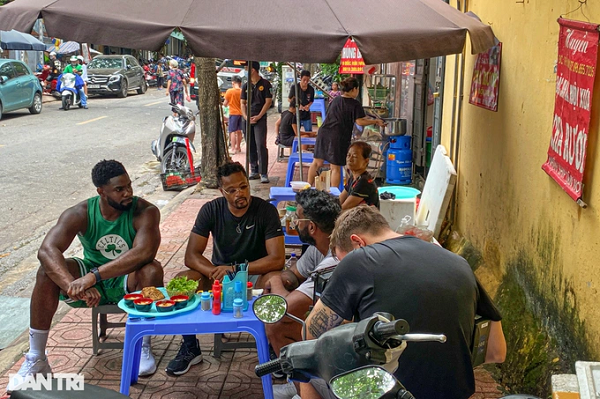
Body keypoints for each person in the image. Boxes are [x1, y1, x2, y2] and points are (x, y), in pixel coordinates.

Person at [302, 206, 507, 399]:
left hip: (389, 393)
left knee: (306, 366)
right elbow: (496, 352)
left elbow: (309, 335)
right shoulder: (459, 262)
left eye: (340, 259)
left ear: (358, 243)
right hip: (455, 394)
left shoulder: (359, 259)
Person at [6, 160, 164, 393]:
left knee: (152, 269)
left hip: (126, 278)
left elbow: (144, 252)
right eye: (119, 189)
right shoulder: (80, 213)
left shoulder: (145, 211)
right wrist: (74, 285)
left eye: (129, 185)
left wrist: (93, 278)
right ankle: (37, 357)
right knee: (45, 272)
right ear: (101, 191)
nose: (128, 192)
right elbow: (47, 250)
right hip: (90, 278)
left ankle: (141, 346)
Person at [166, 162, 285, 376]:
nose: (240, 193)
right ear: (222, 191)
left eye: (243, 186)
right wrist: (213, 271)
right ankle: (190, 348)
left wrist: (236, 268)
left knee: (275, 280)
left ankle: (272, 345)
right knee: (183, 280)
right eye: (232, 190)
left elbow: (277, 259)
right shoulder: (211, 210)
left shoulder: (266, 210)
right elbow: (191, 256)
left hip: (254, 274)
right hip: (219, 275)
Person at [264, 189, 341, 399]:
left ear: (312, 227)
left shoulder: (333, 261)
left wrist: (274, 279)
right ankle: (299, 384)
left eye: (297, 219)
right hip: (331, 325)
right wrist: (285, 279)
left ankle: (305, 387)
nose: (295, 222)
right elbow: (293, 273)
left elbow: (284, 308)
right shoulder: (320, 246)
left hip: (341, 335)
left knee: (276, 324)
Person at [307, 77, 385, 189]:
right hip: (338, 136)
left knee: (316, 163)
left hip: (324, 133)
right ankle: (334, 195)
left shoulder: (336, 99)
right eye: (357, 89)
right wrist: (376, 121)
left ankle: (307, 188)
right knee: (335, 167)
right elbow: (360, 121)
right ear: (354, 89)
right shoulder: (355, 104)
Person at [241, 61, 273, 183]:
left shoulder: (265, 84)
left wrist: (259, 116)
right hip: (247, 119)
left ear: (253, 70)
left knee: (260, 145)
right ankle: (254, 170)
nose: (245, 70)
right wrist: (245, 116)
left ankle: (263, 172)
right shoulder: (246, 85)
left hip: (260, 119)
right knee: (250, 145)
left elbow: (268, 101)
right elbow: (242, 103)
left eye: (246, 68)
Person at [339, 141, 379, 210]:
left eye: (354, 156)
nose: (350, 159)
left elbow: (344, 208)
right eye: (348, 155)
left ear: (366, 161)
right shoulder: (353, 178)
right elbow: (339, 201)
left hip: (365, 220)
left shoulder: (364, 182)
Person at [224, 75, 243, 154]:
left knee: (232, 131)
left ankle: (233, 148)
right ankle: (238, 147)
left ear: (233, 83)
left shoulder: (229, 91)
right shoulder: (242, 91)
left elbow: (225, 104)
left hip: (233, 113)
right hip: (241, 113)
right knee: (239, 131)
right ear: (240, 83)